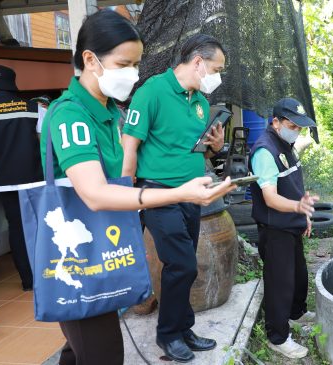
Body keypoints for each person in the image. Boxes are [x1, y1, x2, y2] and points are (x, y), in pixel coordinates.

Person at [41, 11, 233, 365]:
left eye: (137, 63)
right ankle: (170, 333)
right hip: (81, 256)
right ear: (90, 59)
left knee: (79, 351)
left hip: (103, 244)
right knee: (104, 353)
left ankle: (180, 327)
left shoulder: (110, 112)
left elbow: (119, 174)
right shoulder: (70, 114)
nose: (133, 73)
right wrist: (173, 195)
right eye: (124, 63)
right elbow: (97, 192)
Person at [121, 33, 227, 363]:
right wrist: (126, 197)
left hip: (191, 193)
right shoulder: (152, 91)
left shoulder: (200, 101)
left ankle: (184, 328)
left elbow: (200, 148)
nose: (218, 76)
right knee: (180, 264)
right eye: (216, 68)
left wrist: (217, 144)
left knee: (185, 264)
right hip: (158, 192)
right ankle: (167, 336)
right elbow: (130, 145)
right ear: (197, 62)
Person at [248, 98, 319, 359]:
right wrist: (298, 209)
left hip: (292, 224)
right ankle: (277, 336)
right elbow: (271, 198)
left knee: (299, 275)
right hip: (276, 227)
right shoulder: (265, 151)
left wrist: (305, 215)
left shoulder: (286, 144)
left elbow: (294, 186)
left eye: (300, 128)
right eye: (292, 126)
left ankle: (296, 313)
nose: (296, 131)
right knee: (280, 283)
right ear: (275, 122)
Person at [0, 64, 45, 291]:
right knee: (42, 224)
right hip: (35, 178)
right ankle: (48, 275)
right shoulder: (35, 108)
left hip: (4, 180)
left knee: (17, 227)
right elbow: (43, 143)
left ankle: (28, 281)